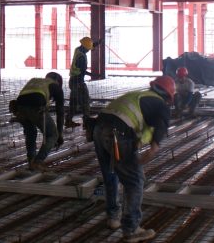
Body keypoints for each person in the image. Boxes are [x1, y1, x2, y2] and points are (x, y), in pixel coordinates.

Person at [92, 76, 174, 242]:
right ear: (168, 96)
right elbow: (162, 123)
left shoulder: (138, 96)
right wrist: (154, 147)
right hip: (117, 134)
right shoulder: (160, 105)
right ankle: (131, 229)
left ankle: (113, 217)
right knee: (135, 181)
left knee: (111, 174)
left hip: (98, 129)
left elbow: (134, 121)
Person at [9, 72, 65, 171]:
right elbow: (60, 113)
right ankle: (38, 161)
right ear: (58, 81)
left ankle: (31, 161)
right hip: (36, 107)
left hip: (19, 108)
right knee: (52, 135)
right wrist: (59, 134)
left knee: (31, 133)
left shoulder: (35, 80)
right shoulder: (56, 87)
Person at [67, 36, 98, 128]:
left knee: (73, 102)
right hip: (78, 82)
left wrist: (97, 43)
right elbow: (83, 71)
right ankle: (87, 122)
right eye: (88, 49)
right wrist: (94, 75)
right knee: (85, 102)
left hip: (73, 80)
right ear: (85, 47)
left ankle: (68, 120)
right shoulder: (82, 58)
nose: (89, 50)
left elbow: (90, 45)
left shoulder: (78, 50)